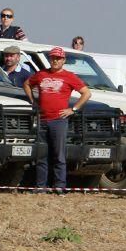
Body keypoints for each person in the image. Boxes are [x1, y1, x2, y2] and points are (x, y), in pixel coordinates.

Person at [23, 46, 91, 189]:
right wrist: (32, 101)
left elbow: (86, 93)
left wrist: (73, 109)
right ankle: (41, 186)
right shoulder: (41, 74)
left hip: (58, 120)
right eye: (53, 58)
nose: (55, 61)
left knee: (58, 155)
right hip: (42, 119)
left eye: (58, 58)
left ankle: (59, 186)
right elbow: (27, 84)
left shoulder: (69, 76)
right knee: (41, 155)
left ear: (63, 60)